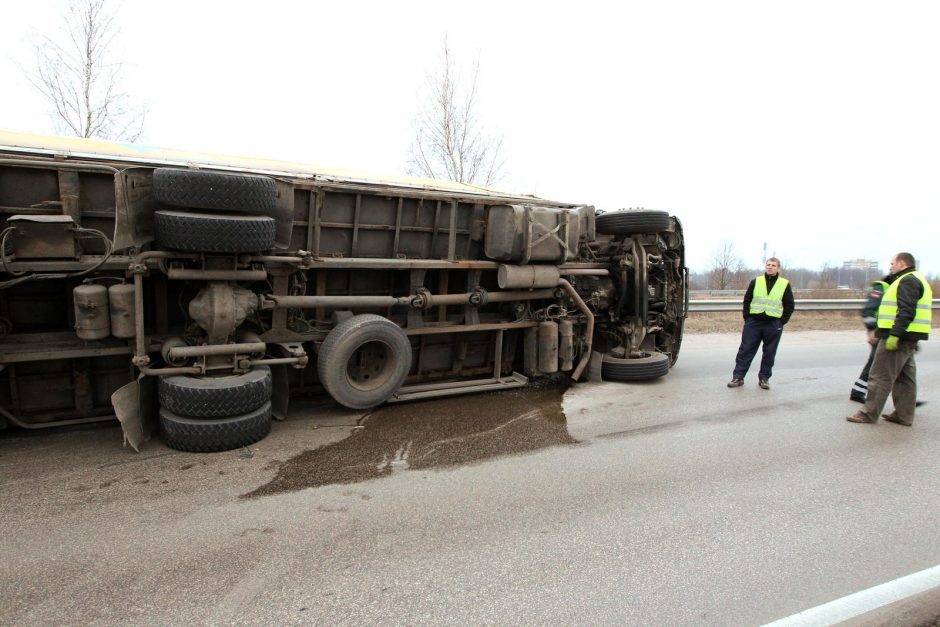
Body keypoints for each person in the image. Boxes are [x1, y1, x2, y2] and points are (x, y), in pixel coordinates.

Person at [847, 252, 932, 426]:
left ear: (902, 263)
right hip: (908, 336)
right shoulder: (917, 278)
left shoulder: (907, 280)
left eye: (892, 263)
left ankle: (868, 414)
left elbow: (906, 311)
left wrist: (894, 335)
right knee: (905, 378)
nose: (891, 267)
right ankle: (904, 415)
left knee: (880, 375)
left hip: (898, 336)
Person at [727, 257, 795, 390]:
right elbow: (747, 300)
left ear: (778, 268)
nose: (770, 267)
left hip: (773, 324)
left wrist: (781, 322)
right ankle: (738, 377)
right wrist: (747, 318)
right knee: (745, 350)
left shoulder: (784, 284)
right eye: (768, 265)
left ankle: (764, 379)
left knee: (769, 353)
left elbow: (789, 305)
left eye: (773, 265)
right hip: (754, 323)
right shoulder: (756, 281)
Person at [849, 276, 890, 403]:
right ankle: (858, 391)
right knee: (875, 362)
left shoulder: (891, 287)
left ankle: (907, 398)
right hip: (879, 330)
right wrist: (872, 329)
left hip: (887, 330)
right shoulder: (881, 287)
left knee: (890, 364)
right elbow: (868, 310)